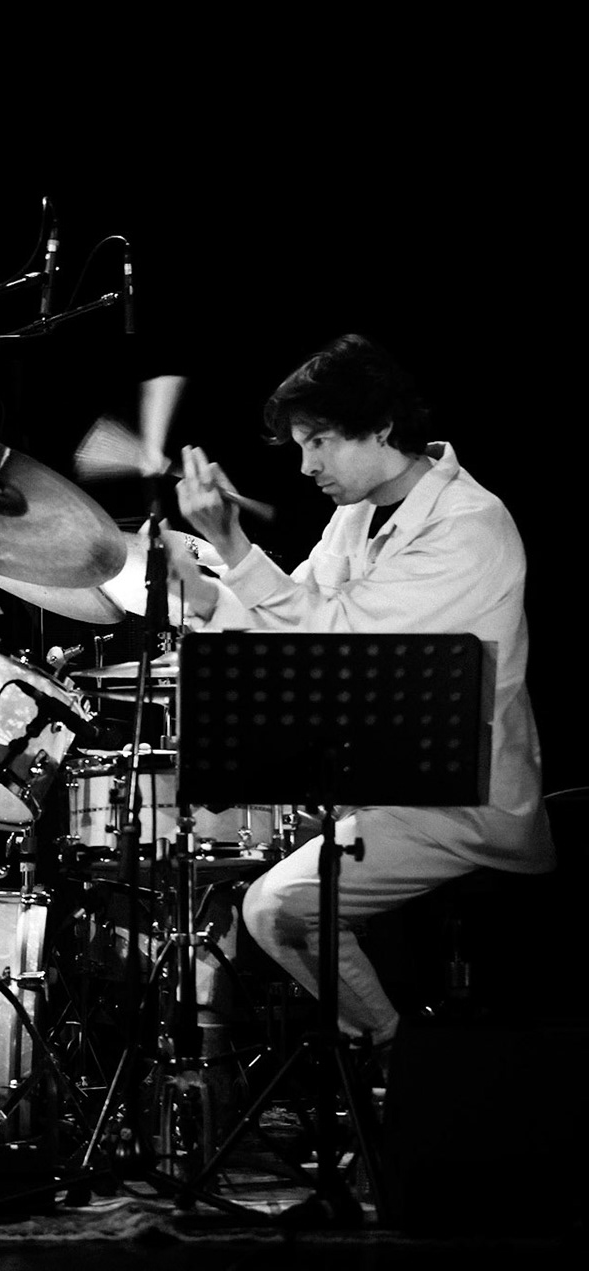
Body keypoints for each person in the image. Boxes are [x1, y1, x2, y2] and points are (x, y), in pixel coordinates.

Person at [170, 333, 552, 1061]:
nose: (306, 466)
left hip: (458, 799)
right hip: (379, 778)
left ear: (381, 428)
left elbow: (330, 639)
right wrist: (205, 579)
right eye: (300, 447)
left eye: (319, 443)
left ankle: (397, 1060)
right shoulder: (358, 511)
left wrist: (238, 550)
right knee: (215, 844)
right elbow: (296, 607)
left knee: (277, 909)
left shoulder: (468, 526)